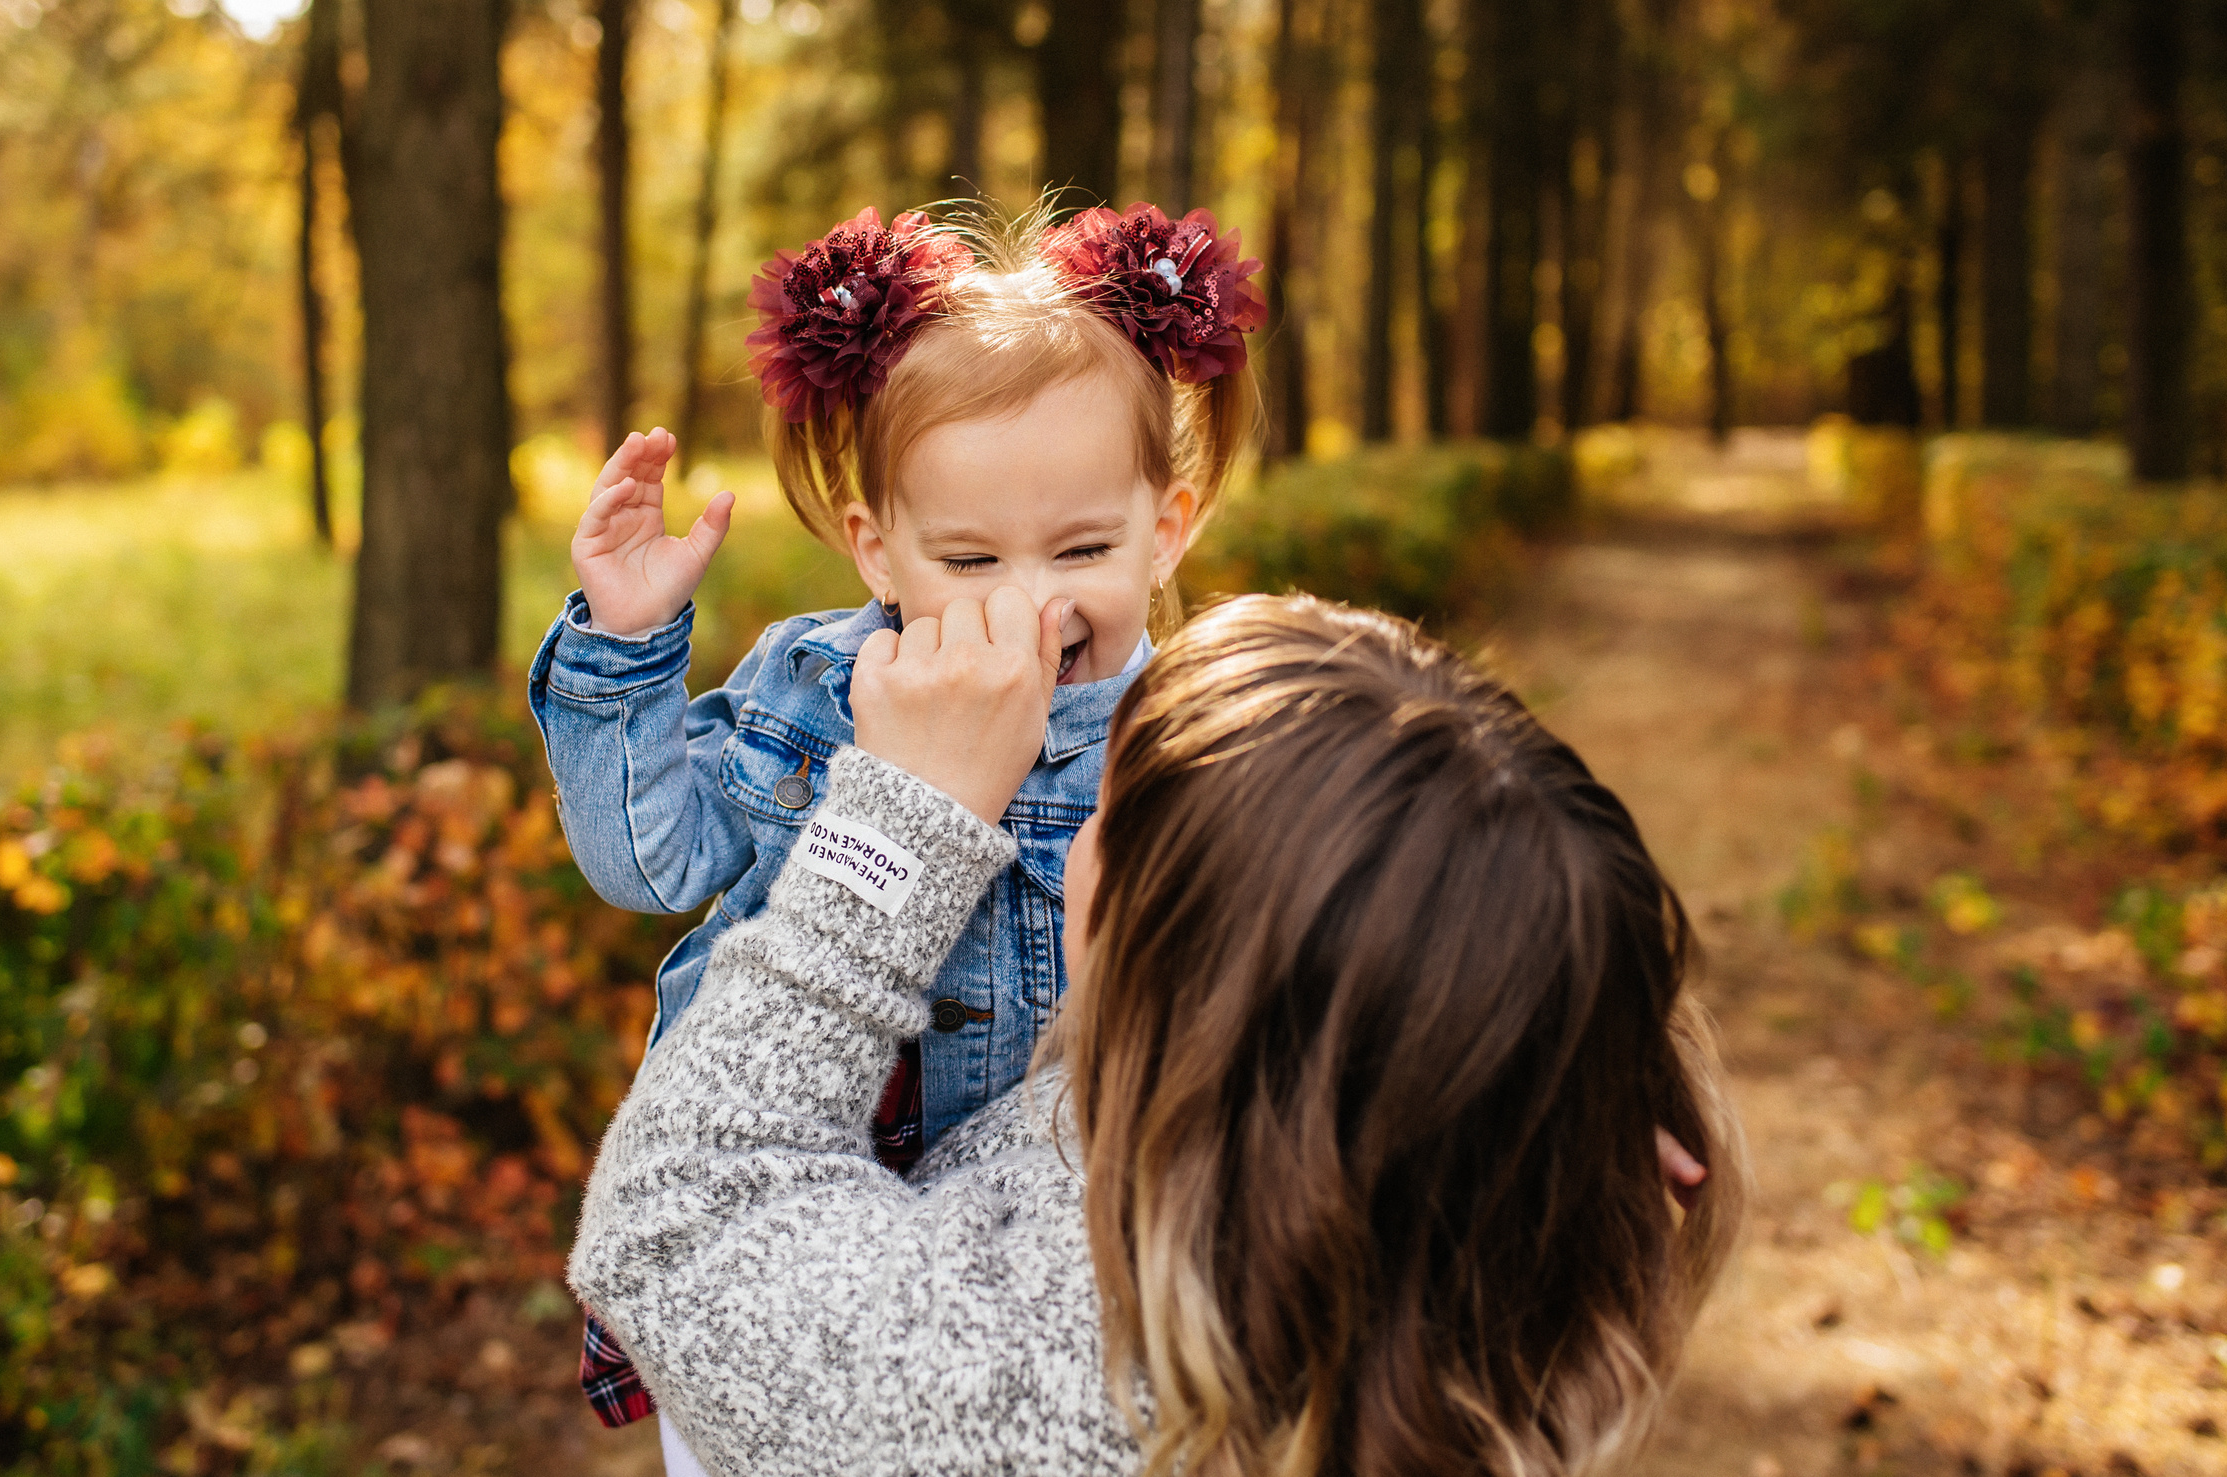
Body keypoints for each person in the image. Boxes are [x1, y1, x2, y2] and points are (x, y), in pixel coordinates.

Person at [570, 589, 1749, 1477]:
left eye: (1106, 814)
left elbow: (680, 1216)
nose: (1065, 831)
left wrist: (907, 818)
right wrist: (1532, 1040)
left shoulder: (1034, 1383)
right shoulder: (1443, 1232)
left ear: (1176, 958)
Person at [527, 199, 1260, 1427]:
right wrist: (627, 649)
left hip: (1054, 1279)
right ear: (876, 549)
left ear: (1165, 531)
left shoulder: (1199, 733)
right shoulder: (813, 691)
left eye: (1082, 548)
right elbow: (647, 865)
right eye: (969, 561)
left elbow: (1353, 946)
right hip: (792, 1238)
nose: (1031, 607)